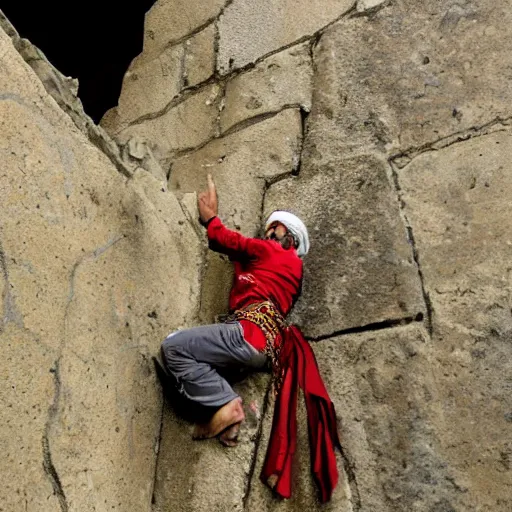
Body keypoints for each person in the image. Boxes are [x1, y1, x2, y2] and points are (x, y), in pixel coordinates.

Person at [160, 174, 340, 502]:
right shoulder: (289, 274)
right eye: (269, 228)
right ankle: (225, 422)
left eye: (277, 229)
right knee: (203, 360)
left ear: (292, 240)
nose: (269, 232)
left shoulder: (272, 253)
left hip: (246, 333)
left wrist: (210, 217)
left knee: (174, 346)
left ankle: (226, 406)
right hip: (262, 348)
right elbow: (246, 264)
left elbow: (231, 242)